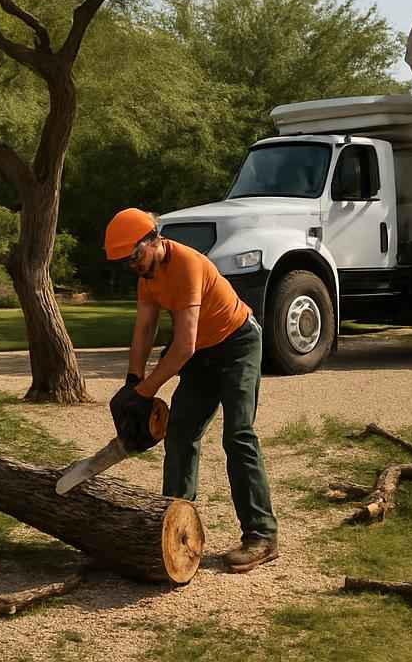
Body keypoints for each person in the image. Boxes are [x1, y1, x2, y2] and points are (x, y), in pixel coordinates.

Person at [102, 207, 279, 572]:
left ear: (153, 240)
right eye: (126, 261)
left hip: (237, 344)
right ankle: (174, 526)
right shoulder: (147, 276)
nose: (133, 265)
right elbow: (144, 330)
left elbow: (183, 346)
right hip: (202, 354)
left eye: (135, 256)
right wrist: (133, 384)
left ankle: (261, 535)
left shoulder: (186, 265)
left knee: (238, 435)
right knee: (181, 434)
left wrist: (147, 390)